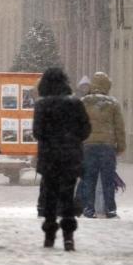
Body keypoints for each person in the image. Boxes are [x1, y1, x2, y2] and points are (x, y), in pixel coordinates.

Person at [33, 68, 91, 251]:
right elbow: (85, 130)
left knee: (50, 197)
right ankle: (68, 237)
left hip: (50, 157)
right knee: (67, 197)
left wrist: (51, 139)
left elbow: (37, 132)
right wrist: (71, 139)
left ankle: (49, 235)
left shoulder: (42, 105)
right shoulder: (76, 104)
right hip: (70, 157)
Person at [80, 72, 126, 219]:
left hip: (88, 146)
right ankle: (110, 209)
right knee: (108, 179)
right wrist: (121, 146)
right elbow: (119, 127)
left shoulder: (84, 102)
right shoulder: (113, 104)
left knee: (89, 178)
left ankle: (88, 209)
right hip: (107, 146)